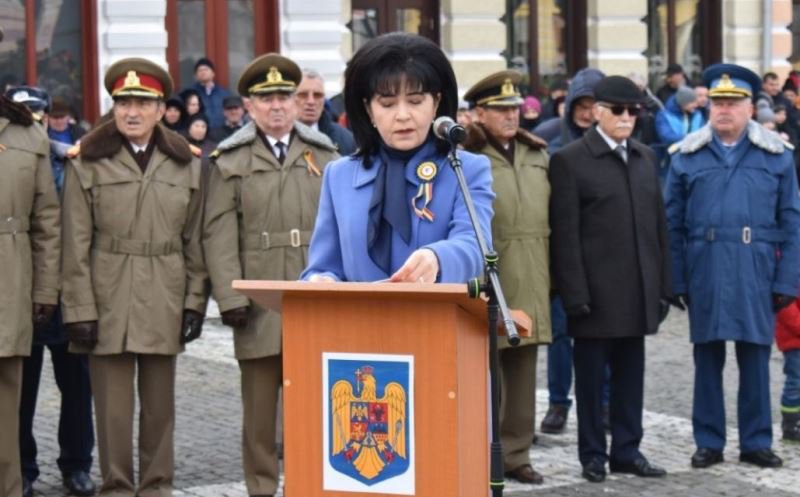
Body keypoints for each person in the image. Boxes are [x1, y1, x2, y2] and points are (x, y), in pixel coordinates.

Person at [60, 57, 207, 497]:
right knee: (113, 410)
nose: (131, 111)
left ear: (162, 109)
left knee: (160, 408)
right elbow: (74, 243)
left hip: (165, 291)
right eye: (123, 101)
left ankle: (158, 487)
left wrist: (195, 302)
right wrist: (79, 309)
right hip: (108, 296)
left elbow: (195, 240)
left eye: (142, 102)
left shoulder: (187, 163)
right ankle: (117, 488)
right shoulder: (87, 161)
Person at [203, 53, 340, 497]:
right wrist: (230, 298)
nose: (278, 106)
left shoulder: (323, 153)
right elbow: (219, 234)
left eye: (286, 96)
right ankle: (261, 487)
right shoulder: (229, 160)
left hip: (313, 296)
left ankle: (308, 484)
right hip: (259, 301)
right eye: (267, 99)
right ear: (249, 105)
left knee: (312, 407)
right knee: (260, 412)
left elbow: (341, 227)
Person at [664, 63, 800, 470]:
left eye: (734, 102)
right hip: (705, 265)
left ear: (749, 108)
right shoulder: (686, 156)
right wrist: (676, 278)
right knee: (707, 358)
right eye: (719, 102)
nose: (725, 109)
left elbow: (793, 221)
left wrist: (788, 277)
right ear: (709, 106)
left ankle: (756, 441)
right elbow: (671, 223)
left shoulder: (775, 156)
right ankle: (709, 441)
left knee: (755, 358)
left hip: (757, 266)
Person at [549, 75, 671, 483]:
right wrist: (574, 294)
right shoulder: (571, 160)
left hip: (636, 291)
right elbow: (565, 236)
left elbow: (658, 229)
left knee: (630, 378)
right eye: (617, 110)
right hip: (595, 296)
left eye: (633, 111)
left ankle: (627, 449)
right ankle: (593, 454)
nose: (626, 118)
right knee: (589, 382)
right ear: (597, 112)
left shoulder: (644, 157)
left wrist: (662, 286)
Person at [299, 32, 494, 284]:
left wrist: (437, 257)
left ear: (436, 103)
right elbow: (324, 265)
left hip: (435, 319)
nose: (403, 115)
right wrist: (321, 280)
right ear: (368, 109)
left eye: (415, 101)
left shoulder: (465, 168)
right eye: (388, 104)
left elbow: (475, 244)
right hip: (357, 321)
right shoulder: (339, 175)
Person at [4, 89, 95, 497]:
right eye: (32, 112)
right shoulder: (28, 147)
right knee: (19, 389)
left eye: (42, 112)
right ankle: (22, 467)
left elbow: (63, 224)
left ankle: (76, 464)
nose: (39, 118)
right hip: (22, 287)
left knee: (75, 386)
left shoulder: (69, 156)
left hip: (63, 287)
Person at [462, 69, 550, 485]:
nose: (511, 115)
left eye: (515, 108)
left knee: (522, 372)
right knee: (484, 372)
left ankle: (517, 454)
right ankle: (481, 452)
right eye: (500, 109)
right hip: (489, 274)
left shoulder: (537, 154)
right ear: (479, 113)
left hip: (532, 270)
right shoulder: (468, 156)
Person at [533, 68, 610, 436]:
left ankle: (604, 402)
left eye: (594, 104)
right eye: (581, 104)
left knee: (604, 334)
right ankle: (558, 403)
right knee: (561, 336)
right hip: (562, 252)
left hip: (603, 256)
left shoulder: (616, 144)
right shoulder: (548, 140)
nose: (586, 111)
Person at [0, 84, 61, 497]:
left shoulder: (28, 133)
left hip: (11, 280)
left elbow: (47, 221)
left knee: (7, 398)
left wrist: (45, 289)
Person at [294, 68, 356, 155]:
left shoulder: (346, 139)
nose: (311, 101)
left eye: (317, 95)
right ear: (291, 98)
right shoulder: (278, 136)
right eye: (303, 95)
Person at [775, 296, 800, 442]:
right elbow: (787, 311)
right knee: (795, 384)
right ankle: (790, 426)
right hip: (795, 343)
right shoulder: (791, 279)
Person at [190, 57, 232, 128]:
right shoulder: (191, 93)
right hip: (200, 132)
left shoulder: (224, 94)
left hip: (221, 132)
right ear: (196, 75)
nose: (203, 72)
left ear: (213, 73)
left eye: (206, 69)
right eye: (200, 70)